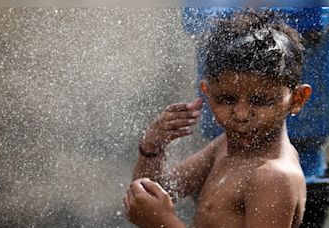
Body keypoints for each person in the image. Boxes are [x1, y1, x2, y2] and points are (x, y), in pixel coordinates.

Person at [124, 11, 312, 228]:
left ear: (297, 99)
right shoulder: (224, 147)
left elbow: (156, 215)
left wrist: (164, 223)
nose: (241, 115)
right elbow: (151, 195)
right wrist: (152, 147)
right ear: (207, 93)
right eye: (227, 99)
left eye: (260, 101)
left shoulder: (274, 178)